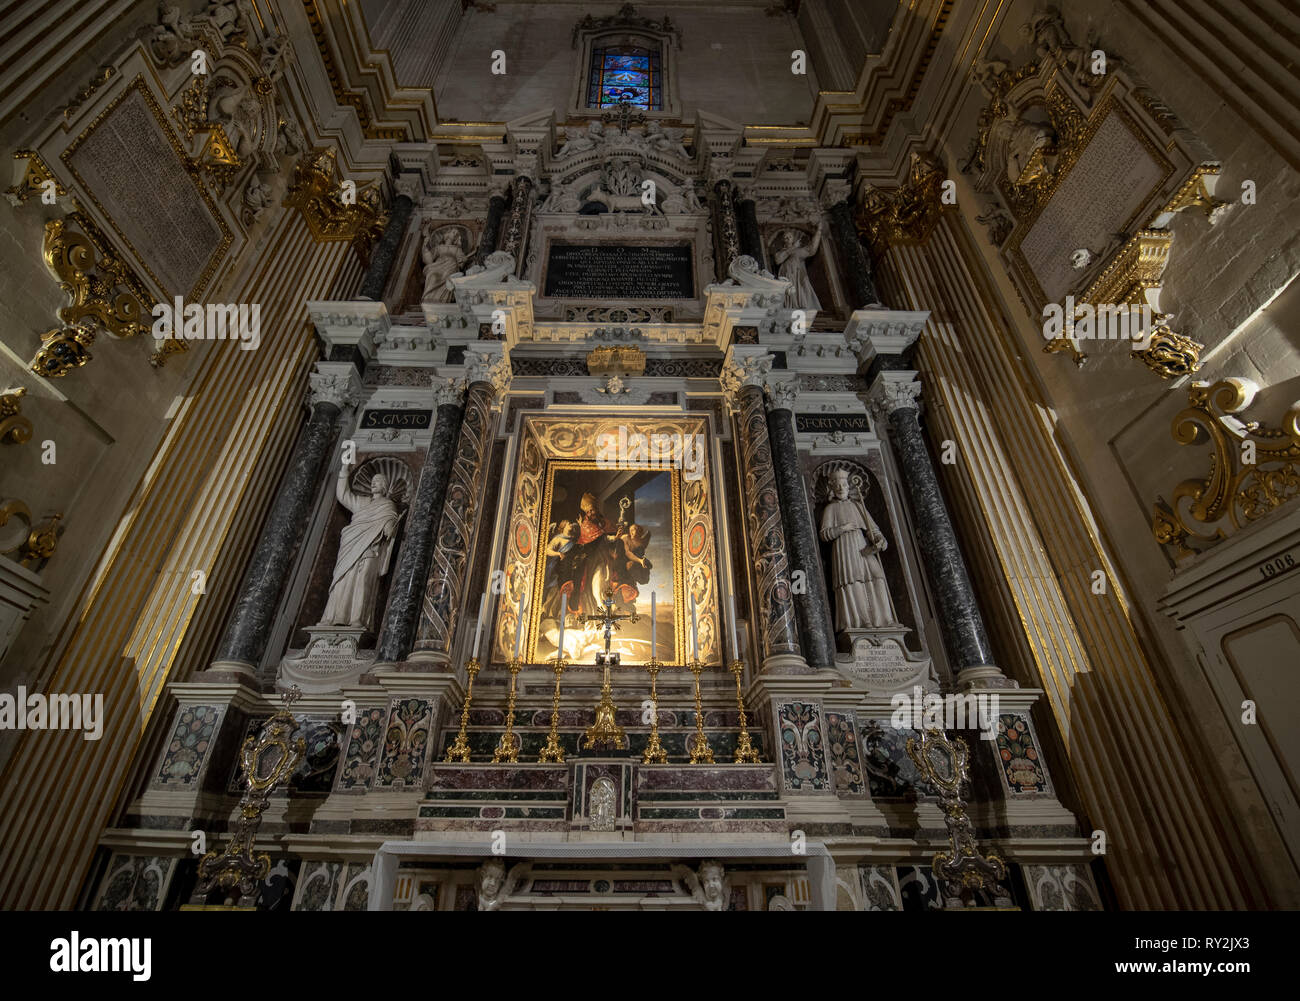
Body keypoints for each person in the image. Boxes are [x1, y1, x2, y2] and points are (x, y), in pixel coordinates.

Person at [321, 467, 402, 630]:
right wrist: (343, 471)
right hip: (351, 546)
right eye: (373, 481)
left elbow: (389, 526)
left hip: (371, 549)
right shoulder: (361, 502)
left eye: (378, 481)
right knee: (342, 580)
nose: (374, 483)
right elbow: (343, 496)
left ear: (385, 487)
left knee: (363, 581)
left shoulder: (388, 505)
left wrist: (390, 527)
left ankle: (358, 619)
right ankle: (332, 617)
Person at [818, 468, 896, 630]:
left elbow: (872, 529)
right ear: (832, 489)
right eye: (837, 486)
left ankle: (884, 620)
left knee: (877, 576)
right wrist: (842, 528)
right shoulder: (830, 509)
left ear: (849, 487)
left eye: (844, 485)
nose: (841, 489)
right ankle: (861, 621)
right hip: (844, 549)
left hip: (862, 546)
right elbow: (824, 534)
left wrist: (879, 540)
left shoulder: (858, 506)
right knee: (853, 581)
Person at [773, 225, 823, 311]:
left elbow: (812, 249)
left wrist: (818, 232)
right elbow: (778, 260)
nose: (788, 238)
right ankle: (791, 308)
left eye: (790, 236)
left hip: (798, 275)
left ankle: (803, 307)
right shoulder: (780, 252)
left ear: (793, 239)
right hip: (787, 276)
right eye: (786, 237)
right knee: (790, 293)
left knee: (803, 290)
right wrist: (793, 247)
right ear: (783, 240)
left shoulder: (799, 250)